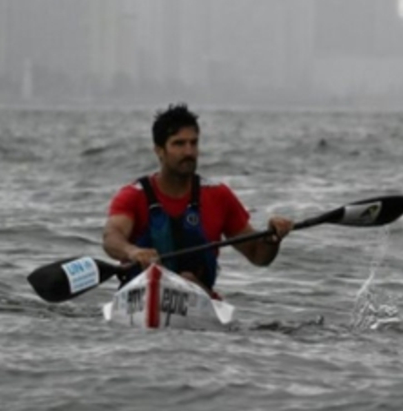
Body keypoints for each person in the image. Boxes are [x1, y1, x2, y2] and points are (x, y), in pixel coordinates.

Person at [102, 103, 294, 295]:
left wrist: (271, 239)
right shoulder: (133, 195)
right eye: (179, 143)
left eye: (193, 143)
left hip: (199, 299)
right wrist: (132, 252)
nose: (189, 152)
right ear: (159, 150)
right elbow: (112, 237)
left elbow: (257, 256)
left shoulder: (218, 195)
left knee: (187, 279)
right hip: (140, 296)